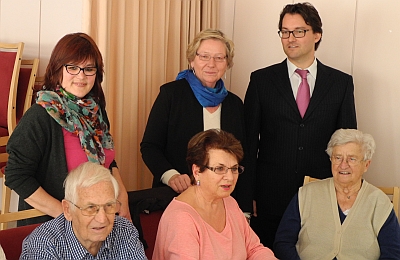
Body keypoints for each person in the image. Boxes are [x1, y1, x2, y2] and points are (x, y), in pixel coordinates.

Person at [244, 2, 357, 247]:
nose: (290, 38)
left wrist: (345, 192)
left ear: (317, 35)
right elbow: (248, 143)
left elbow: (347, 147)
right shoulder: (261, 80)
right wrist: (247, 195)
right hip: (269, 198)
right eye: (284, 31)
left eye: (299, 31)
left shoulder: (341, 83)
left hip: (322, 194)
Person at [5, 32, 131, 225]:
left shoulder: (95, 111)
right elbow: (16, 176)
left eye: (89, 69)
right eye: (73, 68)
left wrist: (122, 196)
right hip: (54, 227)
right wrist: (68, 218)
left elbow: (107, 161)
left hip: (98, 219)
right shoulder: (41, 115)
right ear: (58, 69)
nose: (81, 76)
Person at [141, 29, 251, 212]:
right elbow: (150, 146)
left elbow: (243, 159)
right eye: (204, 56)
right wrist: (171, 176)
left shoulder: (235, 104)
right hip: (176, 198)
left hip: (222, 204)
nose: (211, 64)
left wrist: (245, 209)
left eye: (219, 58)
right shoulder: (171, 95)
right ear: (192, 60)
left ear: (227, 63)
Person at [274, 129, 400, 259]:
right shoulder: (306, 194)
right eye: (338, 158)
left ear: (366, 165)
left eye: (352, 159)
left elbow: (393, 252)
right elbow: (283, 242)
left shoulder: (379, 202)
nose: (343, 165)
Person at [152, 129, 277, 259]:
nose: (229, 177)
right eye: (219, 169)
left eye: (234, 169)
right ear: (197, 171)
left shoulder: (229, 202)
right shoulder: (181, 219)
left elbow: (254, 249)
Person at [20, 162, 147, 259]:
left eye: (109, 205)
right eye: (91, 208)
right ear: (68, 210)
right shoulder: (44, 246)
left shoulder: (124, 231)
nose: (102, 219)